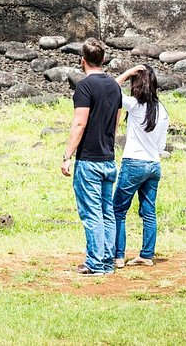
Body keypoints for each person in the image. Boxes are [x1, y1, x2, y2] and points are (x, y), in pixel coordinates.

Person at [61, 37, 122, 274]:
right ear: (104, 59)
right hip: (108, 158)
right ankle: (106, 261)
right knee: (107, 212)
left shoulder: (84, 87)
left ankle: (95, 263)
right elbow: (115, 122)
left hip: (88, 160)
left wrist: (67, 155)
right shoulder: (115, 86)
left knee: (92, 213)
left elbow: (79, 124)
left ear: (82, 61)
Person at [112, 64, 168, 268]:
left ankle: (118, 256)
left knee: (118, 210)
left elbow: (110, 87)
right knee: (149, 211)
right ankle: (146, 254)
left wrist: (127, 73)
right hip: (154, 164)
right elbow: (161, 146)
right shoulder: (162, 110)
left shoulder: (135, 105)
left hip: (134, 162)